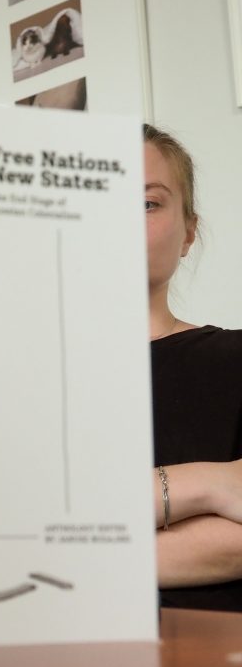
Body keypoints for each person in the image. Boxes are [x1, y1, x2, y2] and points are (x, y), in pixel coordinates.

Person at [145, 123, 242, 612]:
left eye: (147, 203)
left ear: (188, 232)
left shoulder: (235, 357)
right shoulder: (0, 374)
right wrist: (211, 484)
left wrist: (69, 551)